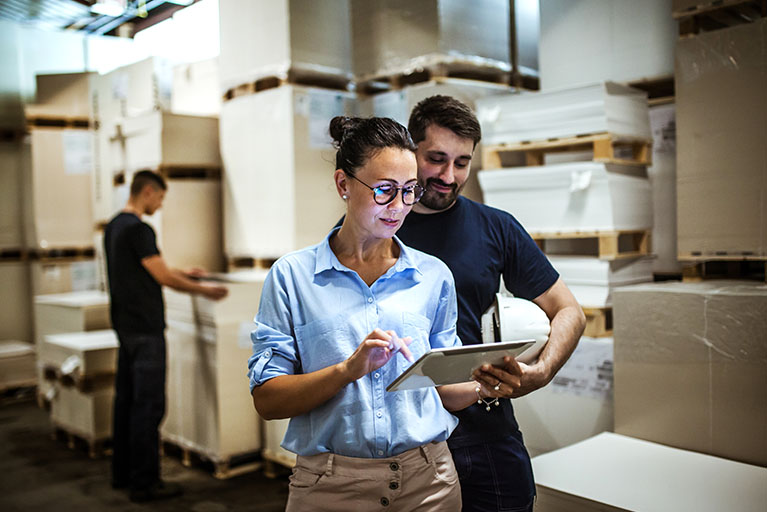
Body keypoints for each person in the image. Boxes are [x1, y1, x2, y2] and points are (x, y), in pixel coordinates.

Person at [248, 117, 506, 511]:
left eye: (409, 191)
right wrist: (348, 369)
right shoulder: (292, 277)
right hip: (330, 488)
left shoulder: (433, 276)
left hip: (429, 482)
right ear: (343, 185)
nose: (399, 207)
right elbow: (268, 401)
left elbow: (443, 389)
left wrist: (487, 384)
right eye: (385, 190)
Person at [395, 95, 587, 512]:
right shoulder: (373, 226)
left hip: (485, 433)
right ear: (411, 151)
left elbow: (569, 310)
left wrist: (542, 371)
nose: (449, 175)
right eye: (436, 159)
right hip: (403, 437)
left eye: (462, 163)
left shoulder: (495, 227)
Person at [104, 170, 228, 503]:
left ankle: (122, 474)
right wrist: (203, 288)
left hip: (125, 328)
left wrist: (184, 272)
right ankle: (145, 483)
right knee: (149, 406)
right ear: (147, 192)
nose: (160, 204)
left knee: (125, 402)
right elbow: (161, 276)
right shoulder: (140, 229)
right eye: (160, 197)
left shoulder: (115, 226)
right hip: (146, 330)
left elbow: (145, 268)